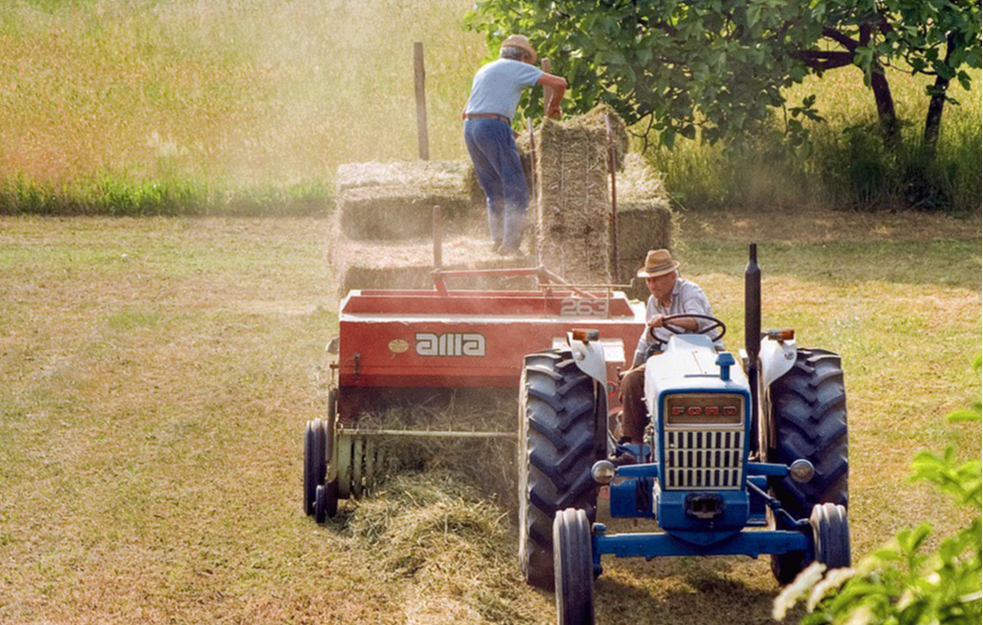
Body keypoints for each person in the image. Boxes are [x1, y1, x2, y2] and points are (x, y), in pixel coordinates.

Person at [463, 34, 567, 256]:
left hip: (471, 129)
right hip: (492, 126)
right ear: (523, 57)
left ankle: (497, 240)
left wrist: (506, 130)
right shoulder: (516, 66)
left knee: (494, 190)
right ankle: (510, 246)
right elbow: (560, 83)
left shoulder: (485, 69)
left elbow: (468, 111)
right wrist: (552, 107)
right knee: (517, 189)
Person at [618, 249, 722, 445]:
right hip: (668, 358)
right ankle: (634, 444)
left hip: (704, 356)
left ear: (673, 276)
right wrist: (633, 367)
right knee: (631, 380)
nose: (651, 285)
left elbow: (698, 321)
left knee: (731, 384)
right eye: (648, 280)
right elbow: (646, 338)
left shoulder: (690, 292)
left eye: (656, 279)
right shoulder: (653, 302)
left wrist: (666, 321)